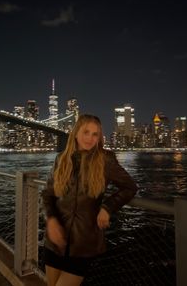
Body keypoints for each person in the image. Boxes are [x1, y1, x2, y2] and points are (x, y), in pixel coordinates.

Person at [42, 114, 138, 286]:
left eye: (95, 134)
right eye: (86, 132)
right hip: (55, 240)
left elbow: (130, 187)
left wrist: (107, 207)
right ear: (76, 133)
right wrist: (51, 219)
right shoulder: (61, 160)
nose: (90, 138)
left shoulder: (105, 160)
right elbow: (48, 194)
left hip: (83, 244)